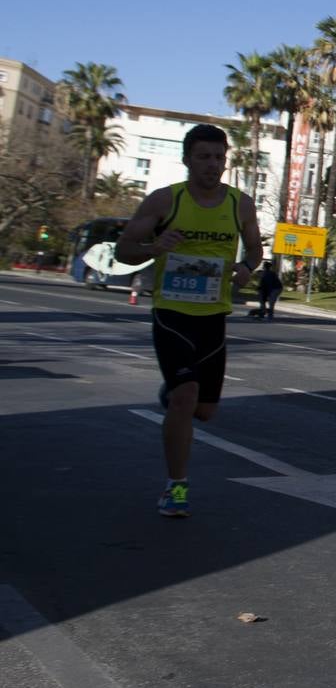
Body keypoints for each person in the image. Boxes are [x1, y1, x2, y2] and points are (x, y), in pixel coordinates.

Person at [114, 123, 263, 517]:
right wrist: (153, 246)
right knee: (186, 396)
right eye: (204, 157)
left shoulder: (240, 204)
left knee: (205, 409)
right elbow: (123, 250)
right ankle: (176, 488)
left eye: (219, 157)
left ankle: (174, 395)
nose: (212, 165)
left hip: (213, 316)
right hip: (172, 313)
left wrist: (247, 267)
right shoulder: (165, 201)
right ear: (187, 160)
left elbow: (254, 249)